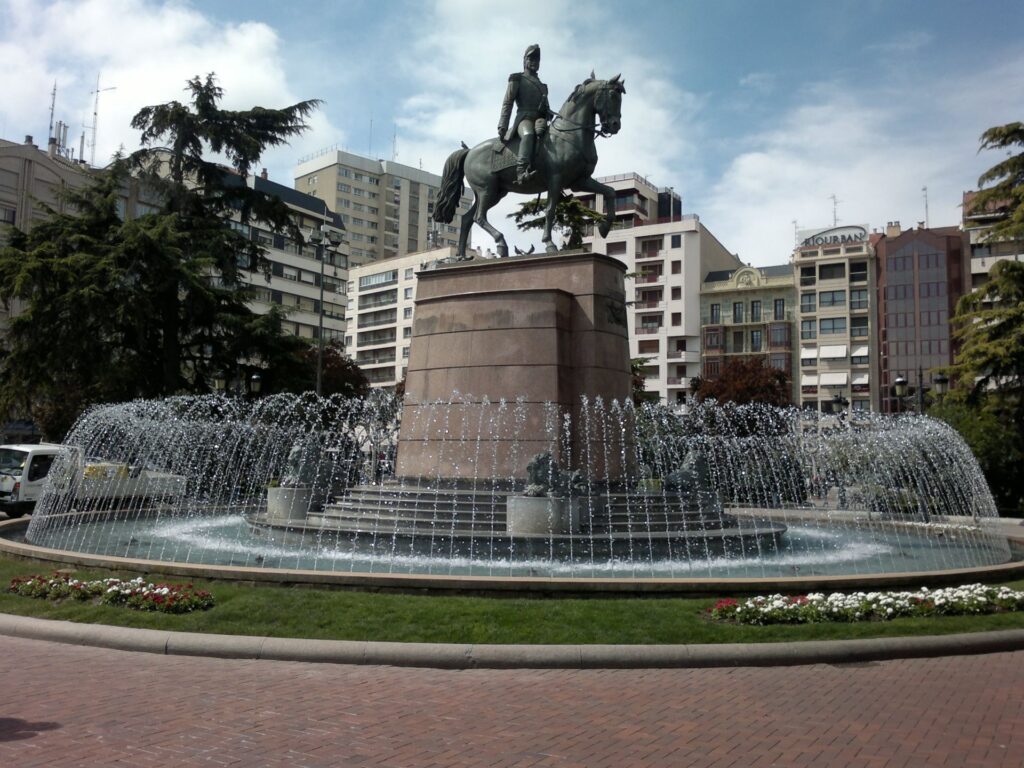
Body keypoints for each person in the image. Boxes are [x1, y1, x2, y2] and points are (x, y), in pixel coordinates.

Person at [497, 44, 554, 185]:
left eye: (537, 60)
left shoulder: (543, 86)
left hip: (539, 121)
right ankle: (521, 171)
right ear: (525, 61)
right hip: (524, 118)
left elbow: (547, 109)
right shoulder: (517, 79)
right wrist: (502, 124)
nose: (534, 62)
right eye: (531, 59)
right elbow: (508, 102)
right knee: (528, 134)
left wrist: (547, 114)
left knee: (555, 141)